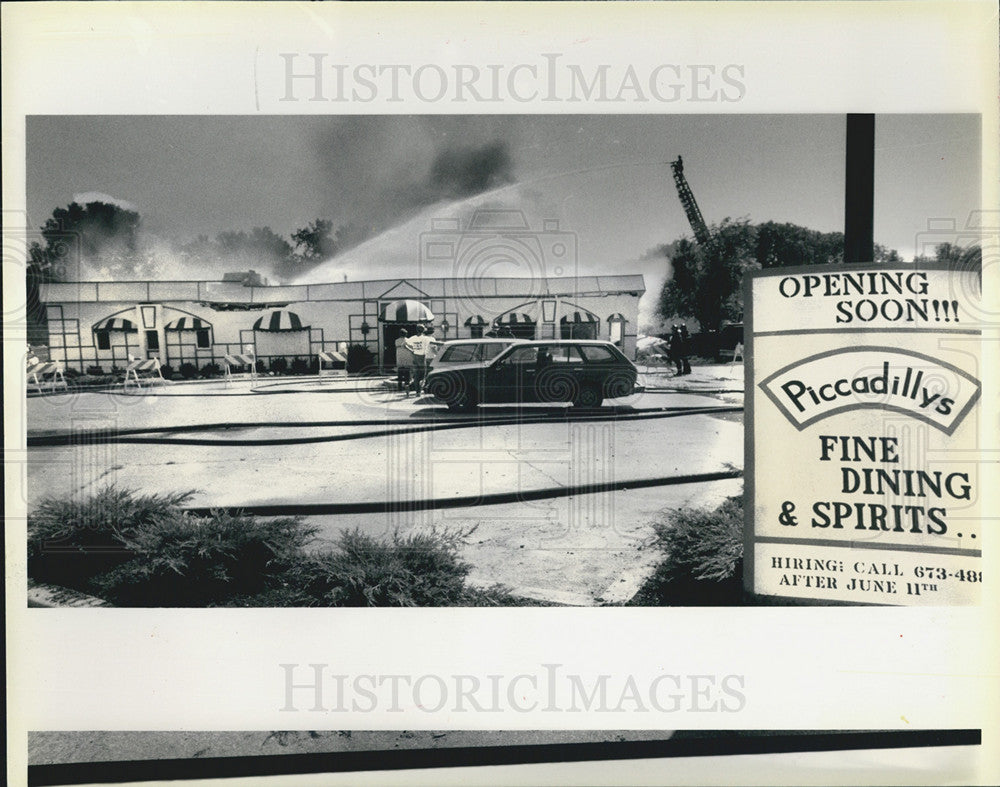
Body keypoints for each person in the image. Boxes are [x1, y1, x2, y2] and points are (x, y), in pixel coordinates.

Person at [406, 324, 433, 394]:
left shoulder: (413, 338)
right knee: (423, 375)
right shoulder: (425, 338)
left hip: (415, 356)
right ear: (423, 330)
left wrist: (411, 350)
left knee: (417, 375)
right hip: (422, 357)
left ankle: (412, 388)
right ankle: (418, 391)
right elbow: (432, 345)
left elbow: (404, 344)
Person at [394, 328, 412, 395]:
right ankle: (407, 385)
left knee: (400, 373)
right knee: (407, 373)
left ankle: (399, 387)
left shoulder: (396, 341)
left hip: (400, 357)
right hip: (407, 358)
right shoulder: (408, 340)